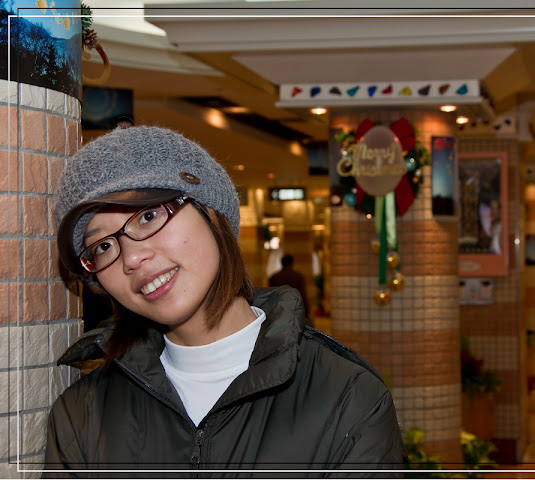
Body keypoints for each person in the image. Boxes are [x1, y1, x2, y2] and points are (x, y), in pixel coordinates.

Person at [43, 126, 405, 476]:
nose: (132, 258)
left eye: (148, 216)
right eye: (103, 246)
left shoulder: (347, 399)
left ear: (212, 213)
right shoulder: (84, 414)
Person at [269, 254, 310, 321]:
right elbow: (302, 294)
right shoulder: (298, 276)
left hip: (280, 310)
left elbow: (272, 296)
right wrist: (307, 311)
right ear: (292, 263)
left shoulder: (275, 277)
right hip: (295, 308)